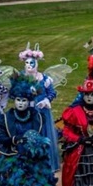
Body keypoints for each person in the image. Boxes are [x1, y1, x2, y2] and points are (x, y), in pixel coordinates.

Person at [19, 43, 61, 172]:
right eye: (27, 63)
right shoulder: (21, 78)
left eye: (31, 63)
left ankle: (46, 164)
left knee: (43, 135)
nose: (29, 65)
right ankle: (29, 164)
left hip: (42, 112)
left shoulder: (44, 79)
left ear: (36, 64)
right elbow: (16, 93)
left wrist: (46, 100)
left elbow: (52, 92)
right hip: (27, 113)